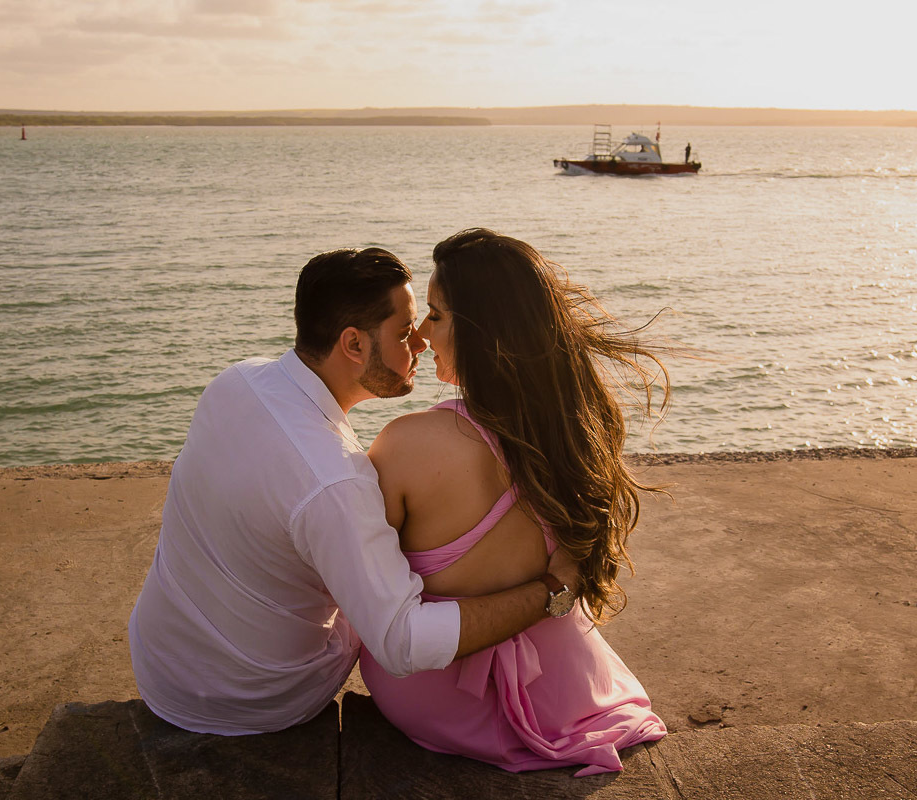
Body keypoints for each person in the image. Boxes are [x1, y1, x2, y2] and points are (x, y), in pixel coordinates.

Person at [128, 246, 580, 735]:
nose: (422, 343)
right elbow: (403, 644)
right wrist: (550, 591)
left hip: (159, 663)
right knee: (389, 597)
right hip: (255, 698)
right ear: (354, 344)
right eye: (406, 331)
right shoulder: (336, 481)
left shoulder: (234, 382)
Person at [359, 229, 668, 776]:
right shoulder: (574, 435)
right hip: (565, 690)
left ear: (481, 332)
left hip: (438, 697)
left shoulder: (407, 445)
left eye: (436, 315)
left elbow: (361, 586)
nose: (424, 335)